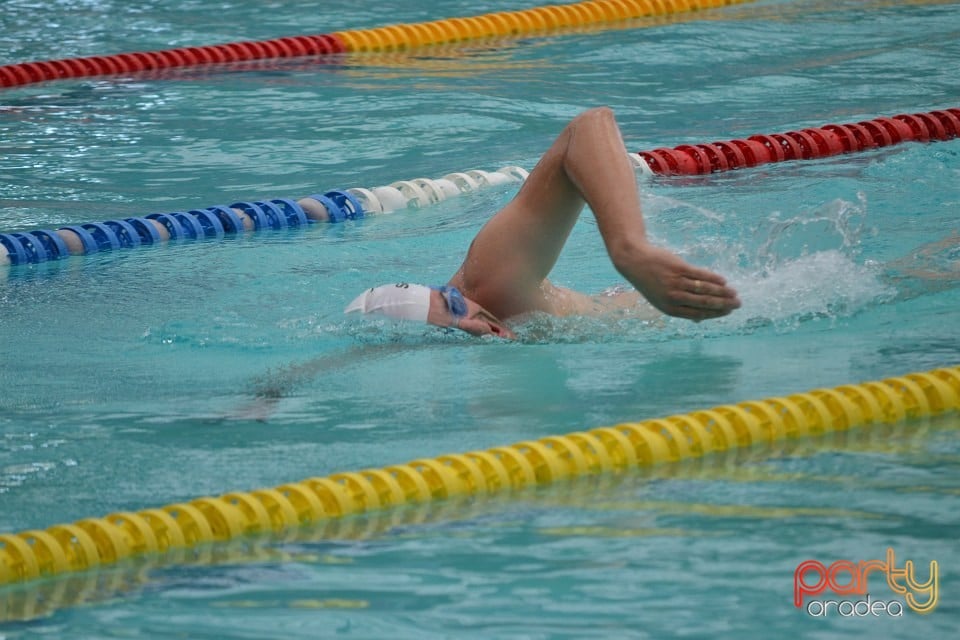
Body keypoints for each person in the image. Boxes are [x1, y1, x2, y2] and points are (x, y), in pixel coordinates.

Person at [345, 107, 742, 339]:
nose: (467, 308)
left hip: (708, 301)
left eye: (449, 297)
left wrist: (629, 249)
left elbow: (589, 126)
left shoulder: (488, 285)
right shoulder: (490, 343)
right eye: (452, 313)